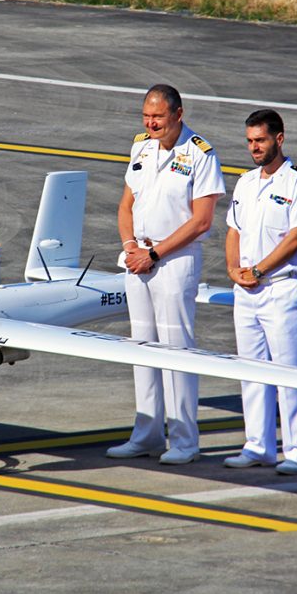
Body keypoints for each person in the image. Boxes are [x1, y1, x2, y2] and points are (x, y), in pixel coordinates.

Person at [108, 84, 225, 465]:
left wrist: (154, 253)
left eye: (158, 116)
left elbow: (201, 220)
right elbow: (126, 205)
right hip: (138, 256)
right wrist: (130, 248)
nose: (151, 122)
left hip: (174, 260)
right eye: (146, 116)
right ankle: (146, 435)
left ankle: (185, 441)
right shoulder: (140, 146)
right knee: (142, 349)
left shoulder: (200, 154)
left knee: (177, 351)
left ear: (178, 114)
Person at [222, 109, 297, 475]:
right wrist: (234, 271)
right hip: (246, 290)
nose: (254, 148)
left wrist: (260, 270)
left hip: (280, 288)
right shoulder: (245, 182)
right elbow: (233, 231)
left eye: (260, 140)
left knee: (290, 371)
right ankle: (258, 445)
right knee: (251, 370)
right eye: (249, 141)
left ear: (279, 138)